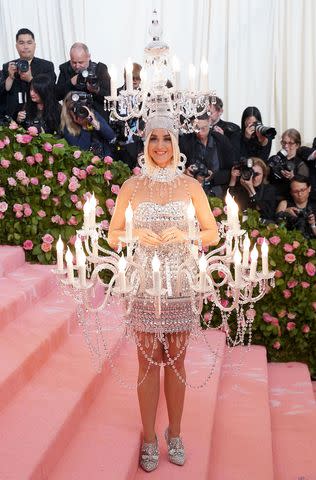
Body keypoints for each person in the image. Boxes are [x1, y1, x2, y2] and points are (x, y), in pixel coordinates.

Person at [107, 113, 219, 472]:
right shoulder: (131, 187)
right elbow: (113, 235)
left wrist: (186, 236)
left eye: (166, 139)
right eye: (153, 139)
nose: (159, 147)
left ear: (175, 143)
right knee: (147, 360)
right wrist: (134, 235)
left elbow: (212, 234)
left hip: (181, 281)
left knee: (177, 359)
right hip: (143, 281)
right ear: (145, 145)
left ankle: (176, 432)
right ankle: (150, 438)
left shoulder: (190, 186)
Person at [0, 28, 56, 120]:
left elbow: (50, 91)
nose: (25, 47)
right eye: (21, 43)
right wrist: (10, 77)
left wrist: (31, 79)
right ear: (16, 46)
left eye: (29, 43)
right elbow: (2, 94)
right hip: (12, 119)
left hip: (39, 116)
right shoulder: (8, 66)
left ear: (34, 45)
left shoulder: (46, 66)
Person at [180, 114, 236, 198]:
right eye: (197, 128)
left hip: (219, 191)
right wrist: (185, 173)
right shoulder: (185, 141)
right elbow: (177, 169)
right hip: (192, 190)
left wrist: (213, 176)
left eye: (204, 128)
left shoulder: (221, 140)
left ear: (209, 121)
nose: (200, 132)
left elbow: (232, 170)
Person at [56, 43, 110, 120]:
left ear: (89, 57)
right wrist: (71, 82)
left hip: (97, 115)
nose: (77, 66)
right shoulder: (65, 69)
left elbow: (110, 96)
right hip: (73, 117)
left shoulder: (100, 69)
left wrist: (96, 90)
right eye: (74, 62)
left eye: (81, 62)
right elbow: (57, 95)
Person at [60, 91, 115, 157]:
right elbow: (82, 149)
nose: (80, 111)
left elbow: (111, 136)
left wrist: (93, 121)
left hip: (105, 159)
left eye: (82, 107)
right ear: (68, 111)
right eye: (74, 109)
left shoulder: (92, 115)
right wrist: (85, 127)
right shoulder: (67, 127)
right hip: (85, 164)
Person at [228, 157, 277, 222]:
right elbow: (229, 203)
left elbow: (266, 214)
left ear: (264, 174)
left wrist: (250, 189)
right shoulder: (242, 187)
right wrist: (233, 178)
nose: (254, 178)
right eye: (251, 174)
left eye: (257, 174)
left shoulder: (269, 189)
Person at [268, 128, 309, 201]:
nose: (286, 146)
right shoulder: (274, 158)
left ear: (297, 145)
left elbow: (303, 191)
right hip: (271, 198)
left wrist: (293, 178)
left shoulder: (301, 165)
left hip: (289, 201)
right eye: (284, 142)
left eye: (290, 143)